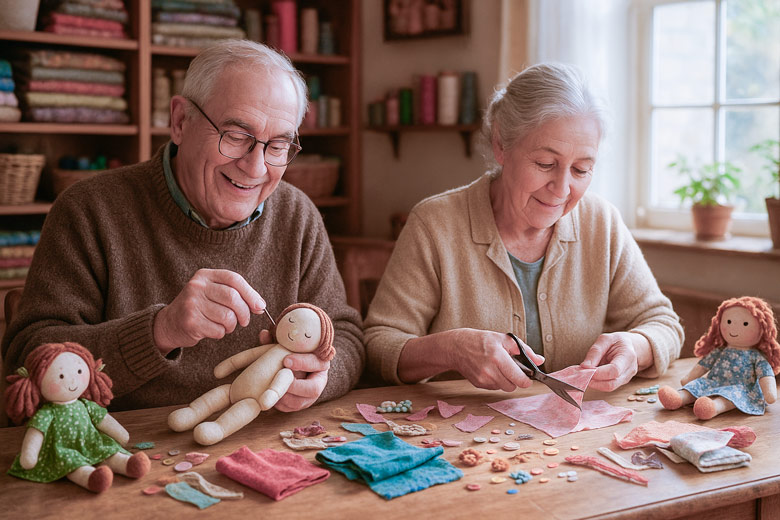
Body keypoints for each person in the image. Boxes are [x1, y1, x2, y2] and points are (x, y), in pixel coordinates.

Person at [2, 40, 364, 414]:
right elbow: (26, 363)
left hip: (263, 443)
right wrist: (160, 331)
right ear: (180, 122)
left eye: (277, 146)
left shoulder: (297, 215)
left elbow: (348, 337)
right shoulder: (89, 210)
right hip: (126, 452)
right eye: (236, 136)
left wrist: (318, 378)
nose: (256, 169)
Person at [364, 63, 683, 393]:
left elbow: (662, 324)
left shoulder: (600, 222)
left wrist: (636, 347)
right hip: (462, 437)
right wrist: (451, 350)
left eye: (581, 169)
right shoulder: (435, 225)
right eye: (545, 164)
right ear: (501, 144)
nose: (561, 189)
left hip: (574, 441)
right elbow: (377, 346)